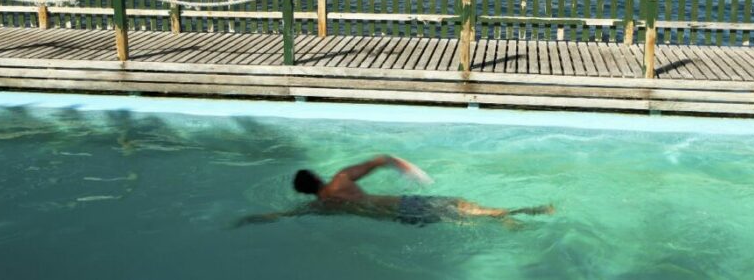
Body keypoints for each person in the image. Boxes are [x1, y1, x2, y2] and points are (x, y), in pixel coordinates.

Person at [235, 154, 553, 227]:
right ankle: (515, 214)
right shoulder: (342, 179)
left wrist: (249, 218)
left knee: (457, 218)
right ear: (317, 177)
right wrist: (407, 168)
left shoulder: (321, 207)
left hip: (398, 220)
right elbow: (383, 158)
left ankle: (505, 217)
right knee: (461, 205)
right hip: (405, 202)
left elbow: (281, 215)